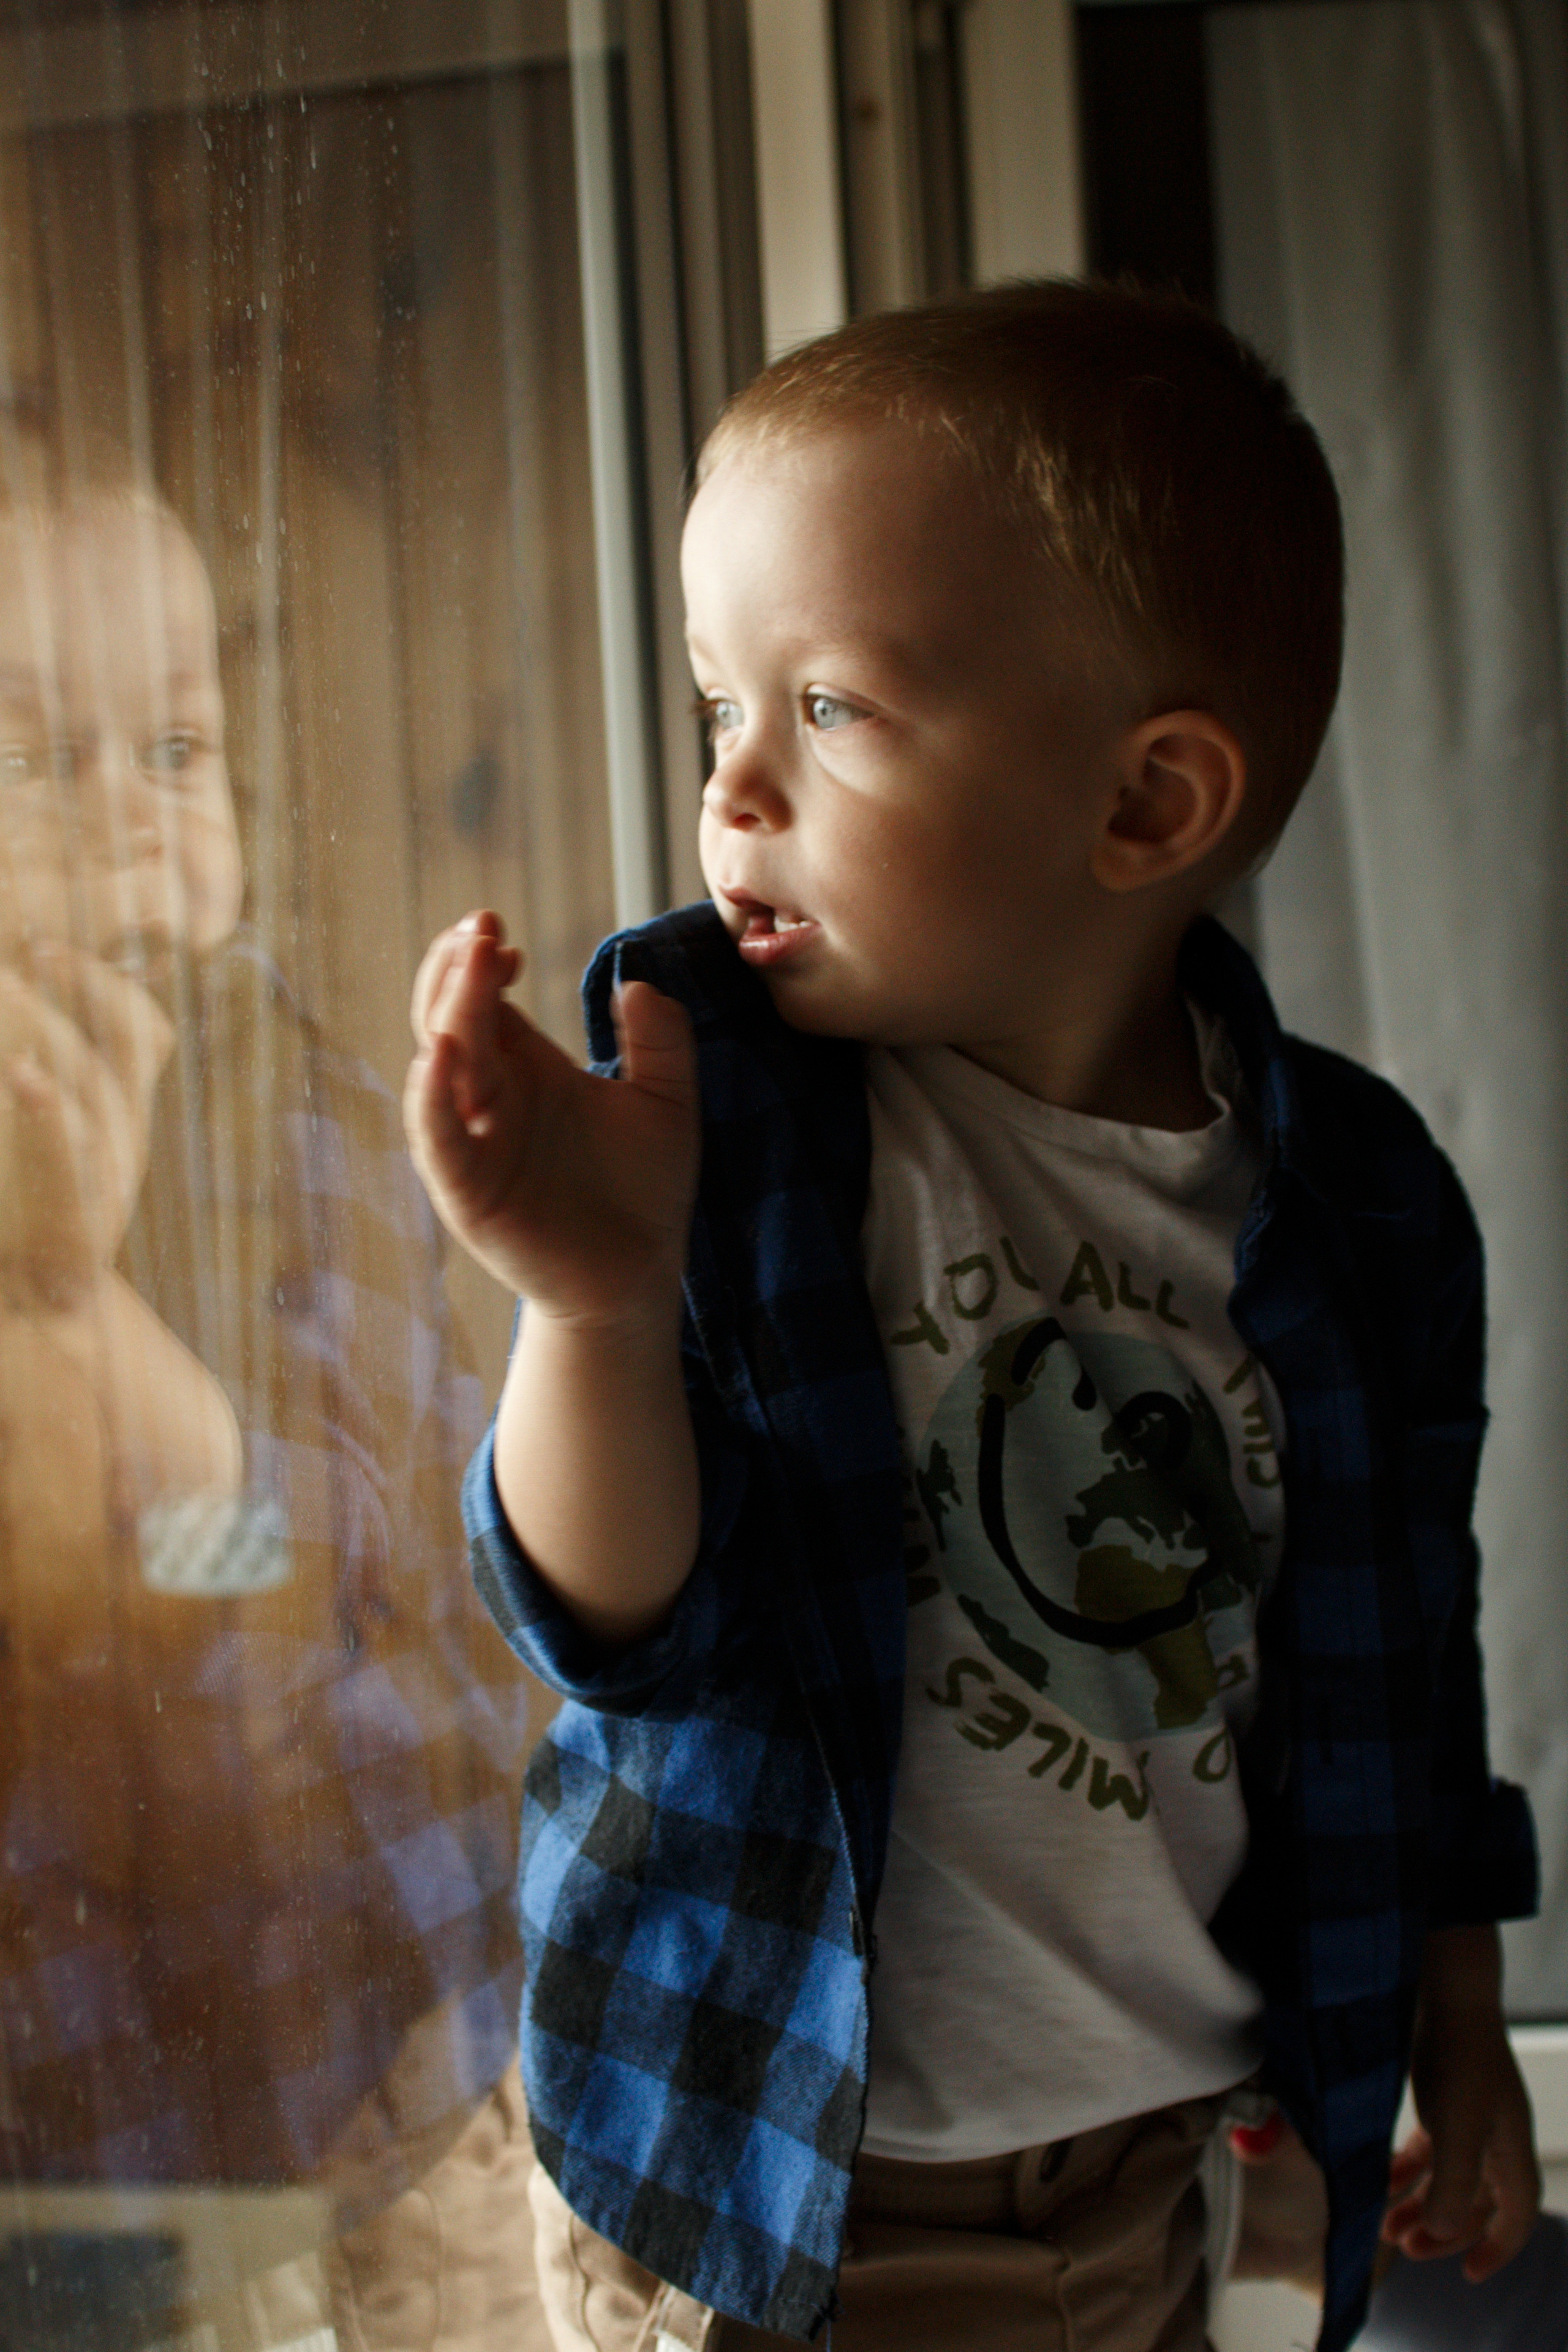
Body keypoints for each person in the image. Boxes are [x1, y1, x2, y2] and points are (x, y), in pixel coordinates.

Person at [404, 281, 1540, 2352]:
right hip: (767, 2181)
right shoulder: (718, 1117)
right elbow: (618, 1625)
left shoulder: (1360, 1207)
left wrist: (1456, 2017)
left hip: (1136, 2173)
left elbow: (1402, 1657)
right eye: (711, 709)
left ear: (1140, 809)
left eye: (825, 710)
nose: (734, 788)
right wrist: (591, 1302)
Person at [0, 422, 540, 2348]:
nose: (133, 813)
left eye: (172, 747)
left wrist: (75, 1312)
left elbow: (297, 1555)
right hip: (84, 2141)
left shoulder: (285, 1116)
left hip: (393, 2070)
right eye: (29, 752)